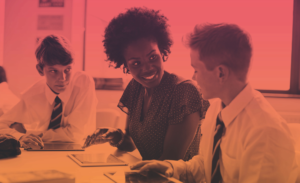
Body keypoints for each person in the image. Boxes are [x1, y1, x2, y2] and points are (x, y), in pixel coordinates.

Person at [131, 23, 298, 183]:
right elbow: (205, 164)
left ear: (220, 73)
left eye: (196, 69)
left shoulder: (265, 133)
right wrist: (170, 167)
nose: (194, 77)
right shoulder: (217, 108)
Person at [83, 7, 209, 161]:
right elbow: (131, 143)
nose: (147, 68)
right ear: (125, 65)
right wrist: (114, 135)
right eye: (136, 63)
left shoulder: (183, 91)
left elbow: (170, 161)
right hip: (148, 175)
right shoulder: (135, 88)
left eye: (152, 57)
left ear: (162, 51)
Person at [0, 35, 97, 149]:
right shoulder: (32, 95)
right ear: (40, 70)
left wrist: (35, 135)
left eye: (67, 69)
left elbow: (75, 135)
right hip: (44, 151)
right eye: (53, 71)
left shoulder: (83, 82)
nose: (62, 78)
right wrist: (20, 137)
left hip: (82, 150)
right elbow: (2, 125)